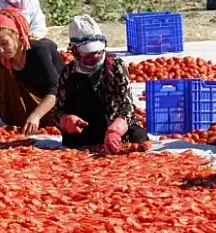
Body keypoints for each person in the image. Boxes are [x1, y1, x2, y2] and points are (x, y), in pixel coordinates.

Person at [0, 7, 64, 135]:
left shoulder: (38, 52)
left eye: (4, 43)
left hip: (55, 108)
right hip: (24, 117)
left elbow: (56, 89)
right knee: (2, 73)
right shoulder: (0, 57)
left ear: (17, 34)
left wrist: (36, 116)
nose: (1, 50)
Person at [55, 15, 148, 154]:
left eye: (97, 53)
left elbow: (127, 107)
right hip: (85, 129)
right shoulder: (68, 72)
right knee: (72, 141)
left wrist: (115, 130)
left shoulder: (115, 66)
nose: (94, 58)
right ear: (75, 52)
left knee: (138, 138)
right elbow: (58, 111)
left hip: (113, 122)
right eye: (87, 54)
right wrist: (67, 120)